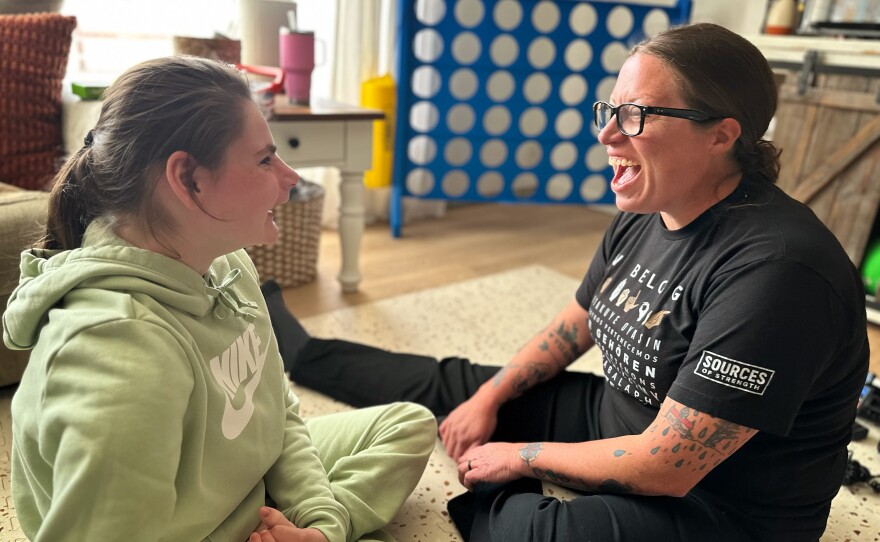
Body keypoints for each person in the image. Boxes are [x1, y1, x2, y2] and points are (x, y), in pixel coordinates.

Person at [273, 23, 869, 542]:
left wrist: (520, 456)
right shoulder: (650, 210)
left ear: (721, 135)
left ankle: (510, 500)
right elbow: (574, 325)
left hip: (725, 508)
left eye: (637, 116)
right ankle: (306, 353)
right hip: (620, 419)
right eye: (609, 112)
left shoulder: (779, 273)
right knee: (459, 387)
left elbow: (668, 465)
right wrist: (488, 399)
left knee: (525, 530)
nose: (608, 135)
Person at [2, 56, 436, 542]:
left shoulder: (226, 261)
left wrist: (321, 526)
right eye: (265, 159)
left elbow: (276, 410)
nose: (291, 177)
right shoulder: (117, 354)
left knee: (409, 423)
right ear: (188, 180)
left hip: (243, 477)